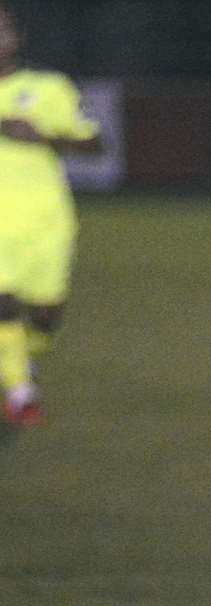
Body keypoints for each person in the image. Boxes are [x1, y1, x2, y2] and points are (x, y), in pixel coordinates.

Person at [0, 2, 102, 429]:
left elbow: (96, 146)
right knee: (3, 304)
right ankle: (19, 392)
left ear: (16, 37)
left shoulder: (49, 87)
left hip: (46, 223)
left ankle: (25, 358)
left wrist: (39, 135)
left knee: (47, 313)